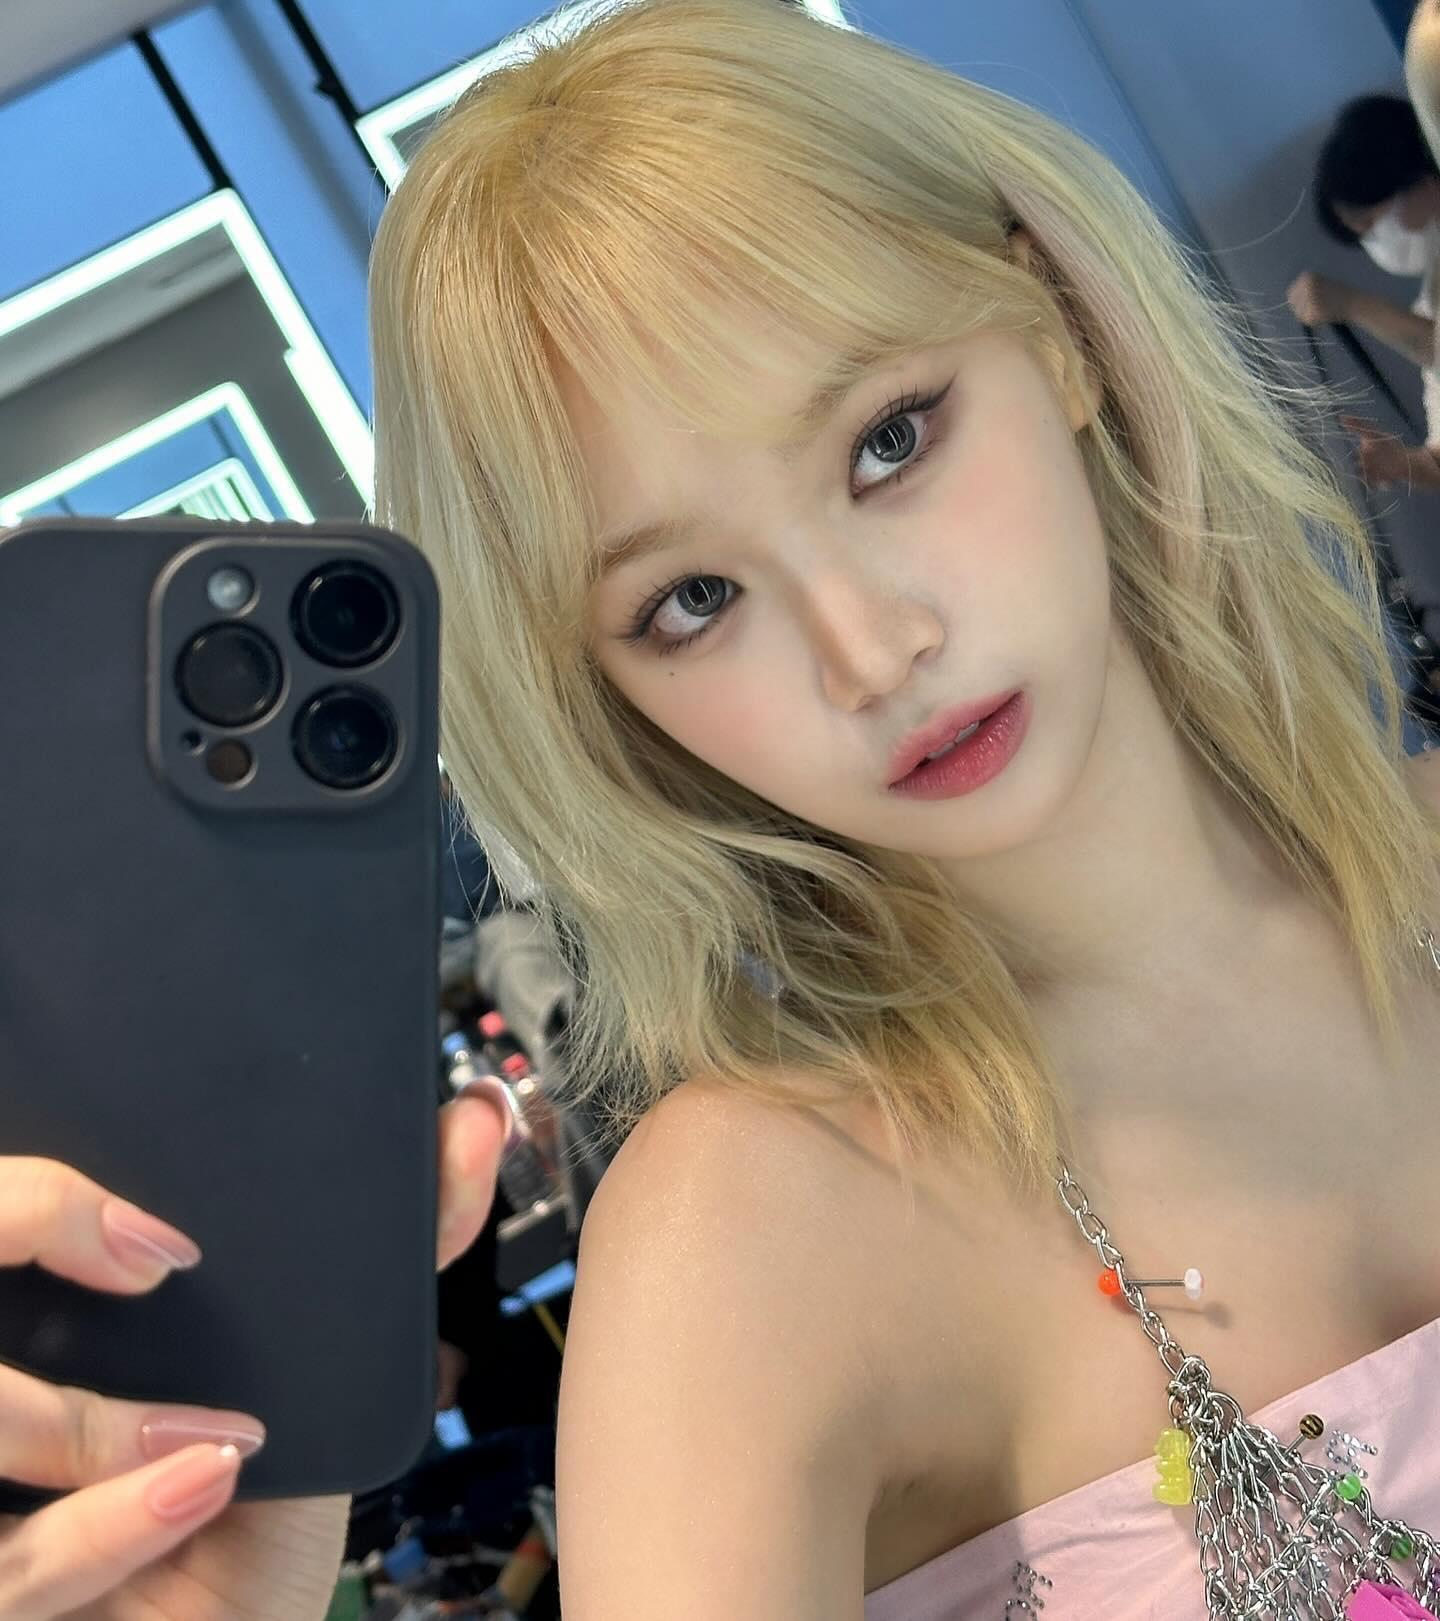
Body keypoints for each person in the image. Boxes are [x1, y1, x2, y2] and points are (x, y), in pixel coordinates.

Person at [16, 0, 1440, 1613]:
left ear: (1053, 327)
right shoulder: (754, 1237)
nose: (870, 652)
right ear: (602, 688)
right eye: (692, 600)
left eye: (889, 442)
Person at [1288, 93, 1440, 491]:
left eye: (1370, 222)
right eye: (1363, 235)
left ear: (1421, 180)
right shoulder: (1431, 300)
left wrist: (1352, 304)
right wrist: (1405, 463)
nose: (1375, 241)